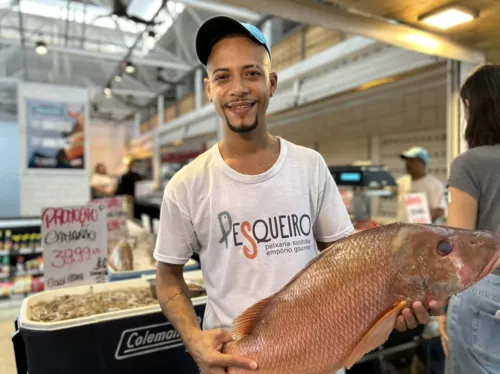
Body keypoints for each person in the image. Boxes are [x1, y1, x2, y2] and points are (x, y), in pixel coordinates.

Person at [153, 15, 444, 374]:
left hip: (320, 358)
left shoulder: (310, 166)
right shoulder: (187, 185)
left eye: (252, 73)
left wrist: (392, 304)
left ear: (271, 83)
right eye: (223, 76)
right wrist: (194, 339)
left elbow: (347, 262)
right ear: (209, 89)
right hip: (236, 364)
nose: (239, 88)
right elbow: (167, 276)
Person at [439, 64, 500, 374]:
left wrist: (440, 308)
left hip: (484, 290)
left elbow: (457, 249)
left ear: (473, 108)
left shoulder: (469, 164)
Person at [396, 146, 447, 224]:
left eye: (412, 161)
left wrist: (420, 226)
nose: (408, 164)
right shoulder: (401, 182)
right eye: (407, 161)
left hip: (424, 233)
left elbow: (439, 210)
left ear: (423, 163)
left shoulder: (434, 184)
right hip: (402, 231)